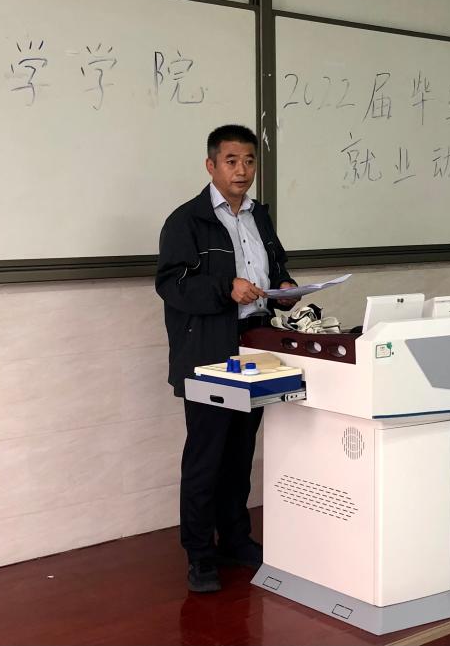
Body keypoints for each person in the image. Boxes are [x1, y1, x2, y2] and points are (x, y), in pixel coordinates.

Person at [156, 124, 296, 594]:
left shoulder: (260, 216)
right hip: (209, 352)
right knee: (206, 455)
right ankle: (200, 555)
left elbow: (274, 267)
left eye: (250, 161)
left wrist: (285, 287)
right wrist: (225, 288)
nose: (242, 170)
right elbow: (171, 285)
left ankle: (235, 540)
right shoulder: (187, 220)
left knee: (239, 453)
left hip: (256, 344)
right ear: (211, 165)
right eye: (232, 161)